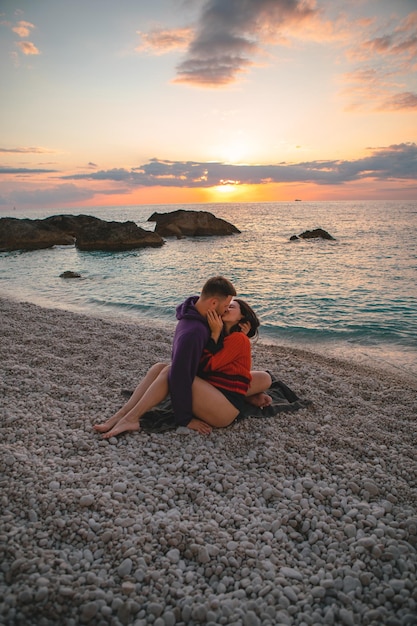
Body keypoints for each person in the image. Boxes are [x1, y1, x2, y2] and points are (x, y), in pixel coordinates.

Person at [94, 295, 271, 438]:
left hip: (225, 410)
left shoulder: (236, 338)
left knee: (172, 371)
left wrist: (216, 334)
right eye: (226, 305)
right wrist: (215, 332)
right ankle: (122, 414)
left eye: (231, 307)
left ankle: (131, 418)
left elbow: (208, 367)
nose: (225, 308)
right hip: (217, 391)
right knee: (159, 367)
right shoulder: (221, 333)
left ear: (242, 317)